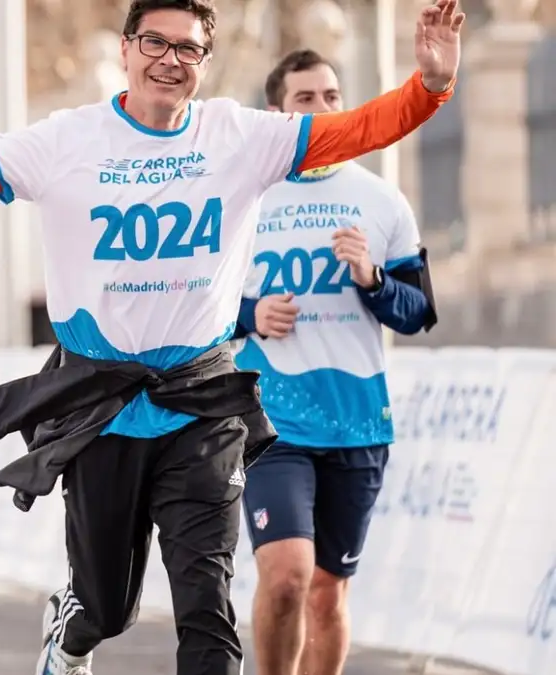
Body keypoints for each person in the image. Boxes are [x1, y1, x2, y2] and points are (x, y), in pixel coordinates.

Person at [0, 1, 464, 673]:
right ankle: (73, 627)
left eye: (188, 50)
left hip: (201, 401)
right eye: (155, 43)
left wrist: (429, 86)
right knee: (107, 602)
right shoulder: (66, 142)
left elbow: (357, 130)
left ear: (204, 63)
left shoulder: (241, 135)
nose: (169, 61)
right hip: (102, 402)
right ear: (125, 49)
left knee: (206, 607)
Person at [231, 49, 436, 675]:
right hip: (273, 424)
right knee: (288, 577)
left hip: (356, 422)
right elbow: (189, 304)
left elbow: (419, 311)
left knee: (327, 592)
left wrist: (372, 278)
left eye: (331, 97)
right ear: (277, 114)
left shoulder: (380, 200)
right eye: (305, 100)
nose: (322, 110)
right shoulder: (245, 201)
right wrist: (249, 314)